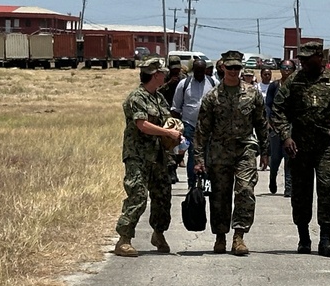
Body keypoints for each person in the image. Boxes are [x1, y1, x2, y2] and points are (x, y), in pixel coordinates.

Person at [269, 40, 330, 257]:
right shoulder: (294, 83)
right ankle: (303, 238)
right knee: (301, 192)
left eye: (309, 59)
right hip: (298, 146)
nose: (305, 63)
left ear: (320, 58)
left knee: (326, 187)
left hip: (325, 145)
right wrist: (286, 136)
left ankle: (325, 239)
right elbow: (278, 110)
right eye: (302, 60)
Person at [193, 50, 269, 256]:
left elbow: (261, 123)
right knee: (220, 195)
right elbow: (202, 130)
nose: (234, 71)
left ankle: (239, 236)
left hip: (245, 149)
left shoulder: (252, 93)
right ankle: (220, 236)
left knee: (245, 191)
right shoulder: (212, 97)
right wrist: (199, 158)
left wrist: (265, 150)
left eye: (237, 68)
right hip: (219, 151)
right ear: (223, 68)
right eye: (230, 67)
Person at [113, 58, 184, 257]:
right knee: (138, 196)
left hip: (159, 156)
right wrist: (167, 133)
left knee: (163, 197)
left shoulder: (158, 98)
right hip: (138, 156)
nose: (165, 75)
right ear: (155, 75)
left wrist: (174, 131)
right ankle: (124, 240)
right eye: (162, 73)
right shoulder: (137, 97)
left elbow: (165, 122)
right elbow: (142, 125)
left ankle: (158, 233)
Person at [171, 57, 217, 186]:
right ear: (193, 70)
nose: (199, 74)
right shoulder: (184, 84)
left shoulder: (213, 84)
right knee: (192, 154)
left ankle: (207, 184)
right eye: (196, 71)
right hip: (189, 125)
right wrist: (177, 127)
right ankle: (192, 184)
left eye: (201, 71)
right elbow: (175, 107)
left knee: (208, 156)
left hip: (208, 127)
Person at [264, 59, 296, 197]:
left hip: (291, 127)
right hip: (276, 127)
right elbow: (268, 106)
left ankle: (288, 187)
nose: (286, 70)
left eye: (289, 68)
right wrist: (269, 122)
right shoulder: (274, 86)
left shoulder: (296, 86)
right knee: (276, 158)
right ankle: (272, 179)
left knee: (290, 156)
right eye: (284, 67)